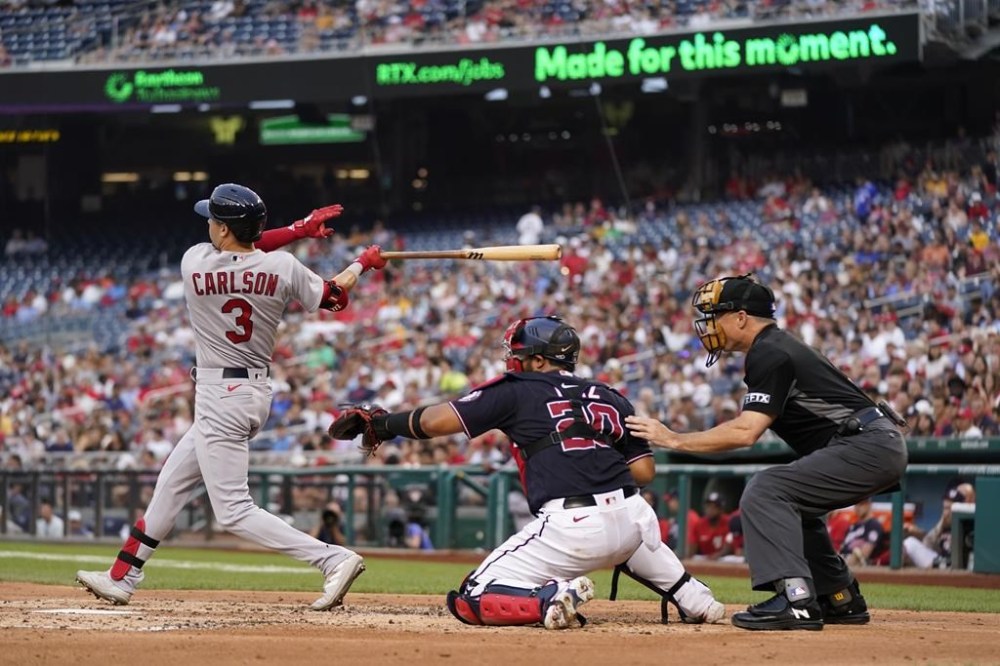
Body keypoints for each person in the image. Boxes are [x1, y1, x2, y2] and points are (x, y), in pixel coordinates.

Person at [76, 183, 387, 611]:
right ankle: (123, 576)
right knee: (171, 485)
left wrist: (297, 229)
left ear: (224, 230)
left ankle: (332, 558)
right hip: (250, 390)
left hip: (220, 395)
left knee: (233, 511)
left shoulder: (193, 262)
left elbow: (248, 248)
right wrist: (362, 264)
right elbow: (335, 297)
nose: (208, 226)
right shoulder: (283, 268)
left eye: (213, 221)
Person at [328, 315, 724, 629]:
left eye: (518, 353)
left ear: (537, 360)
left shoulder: (517, 387)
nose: (511, 360)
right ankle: (694, 596)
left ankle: (550, 599)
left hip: (574, 525)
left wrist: (380, 424)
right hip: (636, 519)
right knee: (625, 530)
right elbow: (644, 471)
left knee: (471, 596)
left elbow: (434, 423)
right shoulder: (610, 394)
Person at [626, 274, 908, 631]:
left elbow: (746, 432)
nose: (708, 325)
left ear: (741, 317)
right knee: (795, 507)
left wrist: (673, 439)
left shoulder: (769, 351)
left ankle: (795, 599)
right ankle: (839, 596)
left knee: (767, 489)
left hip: (867, 443)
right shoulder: (777, 346)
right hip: (873, 441)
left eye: (715, 315)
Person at [903, 483, 976, 569]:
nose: (946, 512)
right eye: (944, 508)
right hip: (940, 562)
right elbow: (927, 544)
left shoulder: (968, 522)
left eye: (949, 508)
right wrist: (940, 526)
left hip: (959, 565)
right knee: (910, 542)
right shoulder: (944, 523)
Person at [839, 498, 889, 567]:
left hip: (857, 564)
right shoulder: (853, 526)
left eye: (861, 504)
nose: (858, 507)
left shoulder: (874, 525)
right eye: (856, 504)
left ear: (869, 505)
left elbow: (865, 553)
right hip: (842, 560)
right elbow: (842, 547)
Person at [689, 491, 730, 560]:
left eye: (714, 507)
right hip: (705, 559)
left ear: (721, 509)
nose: (709, 510)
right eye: (708, 506)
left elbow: (730, 547)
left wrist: (716, 556)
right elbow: (692, 549)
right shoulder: (700, 524)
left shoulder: (728, 522)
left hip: (723, 559)